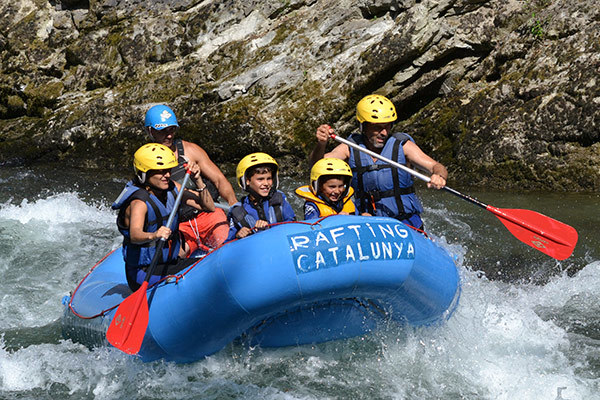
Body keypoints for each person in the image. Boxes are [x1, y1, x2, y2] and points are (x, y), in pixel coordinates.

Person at [309, 94, 447, 230]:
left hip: (405, 223)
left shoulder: (403, 146)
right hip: (368, 222)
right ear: (363, 126)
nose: (384, 133)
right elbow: (316, 166)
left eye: (387, 126)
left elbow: (436, 166)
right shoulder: (350, 148)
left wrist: (439, 176)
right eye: (378, 127)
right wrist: (321, 144)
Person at [112, 143, 215, 291]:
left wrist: (198, 180)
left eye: (167, 170)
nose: (166, 175)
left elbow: (209, 207)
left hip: (168, 263)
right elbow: (135, 234)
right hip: (144, 272)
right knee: (202, 271)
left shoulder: (172, 188)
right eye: (160, 171)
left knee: (207, 264)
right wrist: (154, 234)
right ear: (144, 173)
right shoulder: (139, 202)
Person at [144, 104, 236, 255]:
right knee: (175, 257)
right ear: (150, 131)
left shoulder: (190, 150)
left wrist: (234, 206)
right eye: (163, 131)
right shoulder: (146, 160)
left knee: (229, 249)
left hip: (209, 215)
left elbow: (219, 180)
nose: (169, 135)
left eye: (172, 130)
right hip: (180, 224)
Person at [226, 152, 296, 241]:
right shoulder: (237, 212)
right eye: (260, 179)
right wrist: (238, 236)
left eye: (269, 178)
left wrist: (269, 226)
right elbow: (226, 245)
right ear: (247, 181)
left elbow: (293, 225)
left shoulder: (279, 198)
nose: (266, 184)